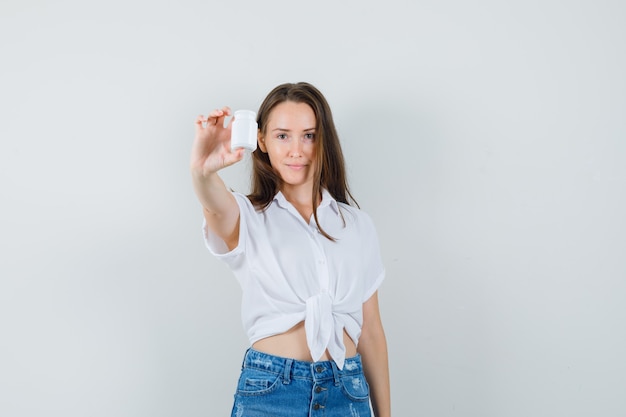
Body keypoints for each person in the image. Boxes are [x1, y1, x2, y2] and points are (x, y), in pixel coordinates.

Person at [190, 82, 391, 417]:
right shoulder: (247, 217)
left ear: (324, 140)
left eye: (309, 135)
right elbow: (214, 206)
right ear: (262, 140)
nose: (297, 150)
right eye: (283, 135)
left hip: (347, 393)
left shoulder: (356, 225)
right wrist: (202, 171)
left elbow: (370, 332)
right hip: (271, 392)